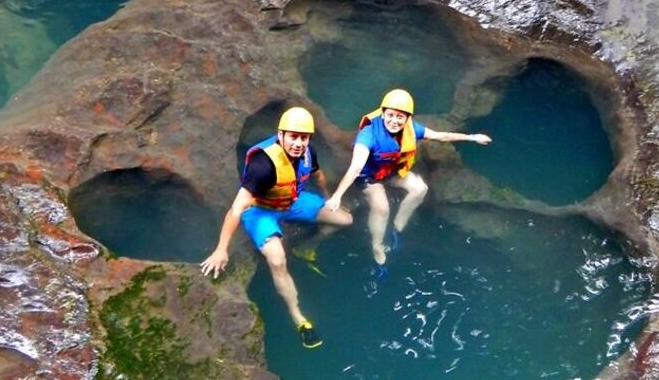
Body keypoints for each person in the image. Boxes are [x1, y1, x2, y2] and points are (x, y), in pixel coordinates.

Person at [200, 106, 352, 348]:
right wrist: (222, 249)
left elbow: (318, 176)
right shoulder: (264, 165)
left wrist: (330, 198)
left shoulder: (307, 153)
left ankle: (307, 246)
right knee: (277, 259)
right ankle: (298, 317)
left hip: (292, 201)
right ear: (281, 135)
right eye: (293, 136)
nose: (298, 143)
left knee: (345, 220)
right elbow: (237, 208)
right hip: (261, 210)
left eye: (303, 137)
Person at [325, 89, 491, 271]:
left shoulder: (411, 128)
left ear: (407, 118)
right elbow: (356, 167)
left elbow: (439, 136)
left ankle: (399, 224)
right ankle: (377, 245)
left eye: (400, 117)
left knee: (420, 188)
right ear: (383, 113)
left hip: (392, 172)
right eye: (390, 115)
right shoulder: (369, 133)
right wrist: (337, 196)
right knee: (382, 209)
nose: (394, 121)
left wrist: (472, 137)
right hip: (370, 178)